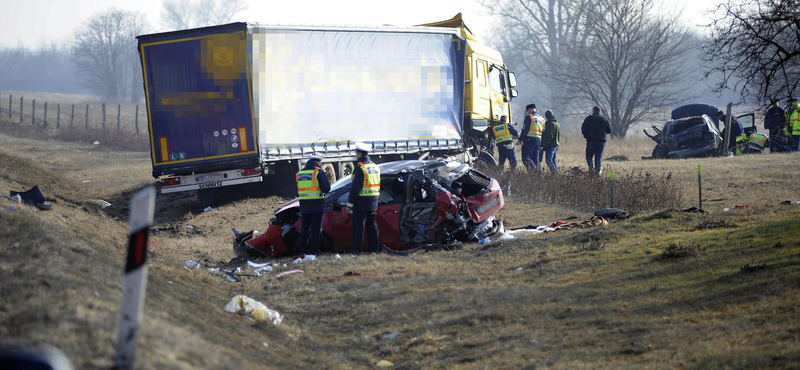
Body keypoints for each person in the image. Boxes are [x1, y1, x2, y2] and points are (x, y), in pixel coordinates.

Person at [345, 142, 381, 254]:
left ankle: (357, 251)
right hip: (373, 202)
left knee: (359, 229)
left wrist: (349, 205)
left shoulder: (360, 168)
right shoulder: (375, 167)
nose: (355, 154)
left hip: (361, 203)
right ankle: (374, 250)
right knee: (372, 228)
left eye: (356, 152)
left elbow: (355, 188)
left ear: (360, 154)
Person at [296, 155, 331, 255]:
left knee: (304, 229)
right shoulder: (318, 172)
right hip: (316, 205)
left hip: (304, 206)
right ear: (319, 162)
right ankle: (314, 251)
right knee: (316, 230)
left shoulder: (300, 173)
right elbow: (326, 189)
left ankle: (303, 251)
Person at [581, 106, 611, 174]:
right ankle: (597, 173)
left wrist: (586, 136)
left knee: (589, 156)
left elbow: (583, 129)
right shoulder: (604, 119)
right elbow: (609, 130)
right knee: (598, 157)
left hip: (591, 141)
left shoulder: (588, 119)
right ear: (599, 111)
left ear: (593, 111)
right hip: (601, 142)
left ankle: (591, 169)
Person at [519, 104, 545, 169]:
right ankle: (538, 173)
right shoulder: (542, 119)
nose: (528, 112)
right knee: (536, 159)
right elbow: (544, 132)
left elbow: (525, 130)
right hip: (538, 140)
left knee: (526, 157)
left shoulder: (529, 117)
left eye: (528, 111)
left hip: (529, 140)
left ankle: (534, 171)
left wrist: (520, 140)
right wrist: (542, 144)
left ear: (530, 109)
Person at [540, 110, 560, 174]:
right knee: (554, 160)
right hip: (556, 145)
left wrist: (544, 145)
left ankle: (555, 174)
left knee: (549, 160)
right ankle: (555, 173)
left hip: (551, 145)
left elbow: (549, 136)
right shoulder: (556, 123)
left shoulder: (550, 124)